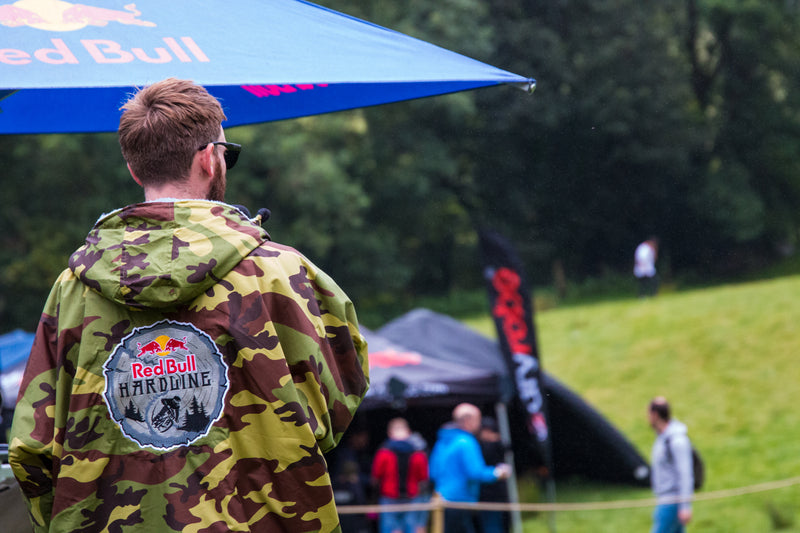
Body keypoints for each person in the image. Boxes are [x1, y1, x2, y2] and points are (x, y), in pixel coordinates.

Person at [9, 78, 369, 533]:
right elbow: (340, 395)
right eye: (227, 153)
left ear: (134, 169)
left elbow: (33, 447)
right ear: (209, 156)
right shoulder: (282, 273)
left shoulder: (72, 291)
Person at [430, 403, 511, 533]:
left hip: (441, 499)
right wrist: (498, 473)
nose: (479, 425)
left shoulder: (442, 441)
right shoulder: (466, 441)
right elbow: (475, 472)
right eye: (478, 420)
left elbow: (432, 472)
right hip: (459, 501)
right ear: (468, 420)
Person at [371, 417, 430, 533]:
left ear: (390, 433)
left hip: (389, 497)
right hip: (411, 497)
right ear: (408, 433)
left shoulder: (383, 453)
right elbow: (423, 478)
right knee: (411, 527)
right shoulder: (418, 453)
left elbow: (376, 476)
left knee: (390, 528)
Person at [648, 397, 693, 533]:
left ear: (655, 415)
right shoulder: (663, 438)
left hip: (671, 502)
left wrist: (685, 506)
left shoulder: (676, 440)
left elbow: (685, 473)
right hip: (666, 500)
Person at [477, 417, 510, 533]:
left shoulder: (485, 446)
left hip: (492, 494)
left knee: (493, 525)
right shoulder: (486, 446)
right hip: (492, 494)